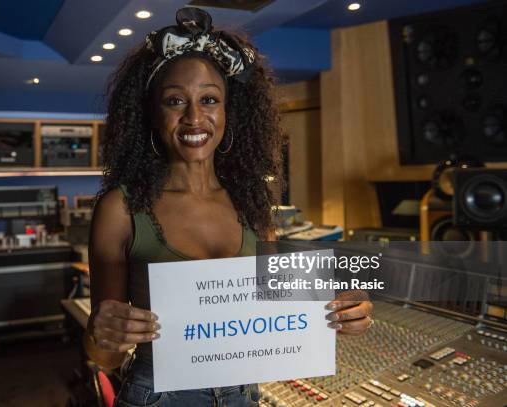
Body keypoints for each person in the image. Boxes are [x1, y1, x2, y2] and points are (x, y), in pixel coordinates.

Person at [85, 7, 373, 406]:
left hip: (244, 394)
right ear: (151, 114)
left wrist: (341, 311)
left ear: (227, 112)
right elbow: (104, 357)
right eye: (174, 101)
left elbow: (279, 311)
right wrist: (102, 331)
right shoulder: (120, 209)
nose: (194, 117)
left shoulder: (253, 203)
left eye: (209, 99)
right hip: (159, 396)